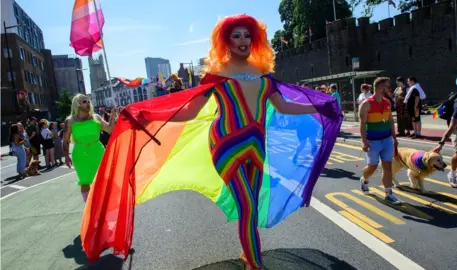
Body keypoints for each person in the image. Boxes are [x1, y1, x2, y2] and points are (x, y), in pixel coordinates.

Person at [80, 14, 343, 268]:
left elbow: (283, 106)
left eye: (247, 36)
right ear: (226, 41)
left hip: (256, 146)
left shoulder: (263, 73)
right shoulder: (217, 74)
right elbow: (190, 111)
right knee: (248, 205)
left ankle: (247, 251)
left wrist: (318, 108)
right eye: (236, 35)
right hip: (226, 145)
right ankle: (254, 263)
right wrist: (149, 115)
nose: (242, 40)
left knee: (249, 204)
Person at [62, 94, 118, 203]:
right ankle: (89, 207)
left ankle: (105, 203)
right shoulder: (70, 121)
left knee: (103, 178)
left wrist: (112, 116)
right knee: (85, 181)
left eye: (88, 101)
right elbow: (65, 140)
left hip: (98, 151)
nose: (88, 103)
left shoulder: (96, 117)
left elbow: (110, 130)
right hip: (80, 155)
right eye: (84, 101)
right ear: (77, 104)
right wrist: (66, 156)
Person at [358, 77, 400, 204]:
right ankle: (364, 179)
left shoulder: (387, 102)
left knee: (387, 166)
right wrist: (364, 142)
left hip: (387, 140)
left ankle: (388, 193)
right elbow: (362, 124)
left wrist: (394, 137)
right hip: (373, 141)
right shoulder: (366, 104)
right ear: (381, 88)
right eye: (387, 87)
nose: (389, 89)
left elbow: (390, 121)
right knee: (372, 166)